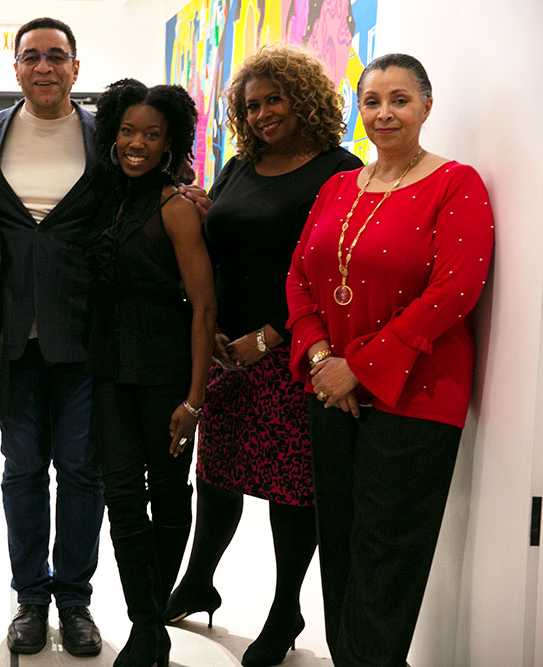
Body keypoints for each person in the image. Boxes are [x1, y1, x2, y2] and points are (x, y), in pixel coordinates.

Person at [285, 53, 493, 665]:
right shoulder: (336, 186)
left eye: (399, 99)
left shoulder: (456, 183)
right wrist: (326, 359)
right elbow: (299, 277)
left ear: (427, 106)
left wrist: (361, 366)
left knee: (386, 558)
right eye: (372, 101)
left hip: (418, 397)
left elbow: (456, 290)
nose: (384, 113)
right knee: (340, 548)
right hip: (332, 390)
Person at [166, 45, 363, 667]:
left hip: (293, 351)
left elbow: (334, 269)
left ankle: (285, 611)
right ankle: (199, 580)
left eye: (273, 99)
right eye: (250, 106)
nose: (260, 115)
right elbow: (221, 250)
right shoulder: (238, 168)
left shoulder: (339, 171)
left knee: (288, 491)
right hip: (225, 350)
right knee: (216, 473)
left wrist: (269, 337)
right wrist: (217, 329)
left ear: (302, 98)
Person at [0, 16, 106, 656]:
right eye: (31, 56)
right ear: (15, 67)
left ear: (76, 66)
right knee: (21, 472)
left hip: (84, 336)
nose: (44, 66)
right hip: (9, 337)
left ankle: (74, 601)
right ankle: (30, 599)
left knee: (80, 471)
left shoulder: (105, 138)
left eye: (56, 55)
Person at [88, 79, 214, 667]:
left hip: (166, 376)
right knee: (120, 498)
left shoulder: (177, 207)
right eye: (128, 131)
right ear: (113, 134)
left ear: (170, 144)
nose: (137, 143)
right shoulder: (106, 198)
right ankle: (147, 625)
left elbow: (203, 310)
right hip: (110, 373)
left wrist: (193, 400)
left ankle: (153, 617)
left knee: (166, 495)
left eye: (152, 134)